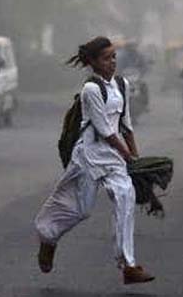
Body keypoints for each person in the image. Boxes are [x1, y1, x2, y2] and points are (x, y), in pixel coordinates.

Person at [34, 36, 155, 285]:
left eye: (113, 57)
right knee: (80, 209)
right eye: (106, 58)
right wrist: (127, 155)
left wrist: (136, 158)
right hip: (88, 156)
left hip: (114, 157)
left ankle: (128, 266)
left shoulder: (122, 84)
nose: (112, 62)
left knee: (125, 197)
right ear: (93, 62)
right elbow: (105, 131)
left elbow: (126, 125)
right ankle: (48, 238)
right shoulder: (91, 89)